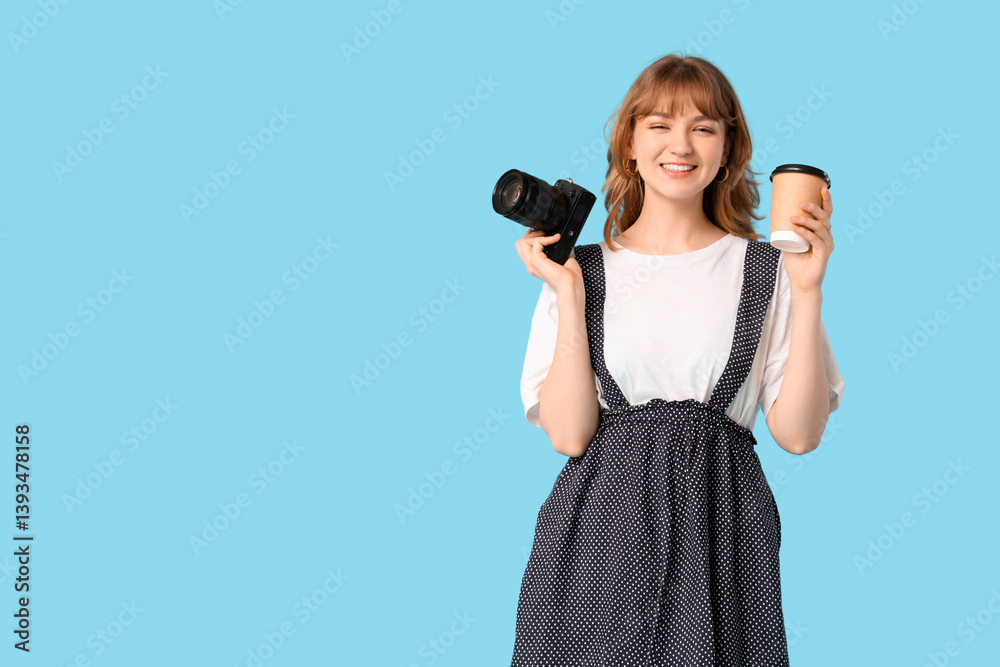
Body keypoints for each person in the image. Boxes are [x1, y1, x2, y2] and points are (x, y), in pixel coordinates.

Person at [509, 53, 845, 666]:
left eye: (704, 127)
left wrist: (809, 289)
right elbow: (569, 433)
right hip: (597, 536)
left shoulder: (769, 273)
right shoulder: (578, 272)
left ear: (727, 150)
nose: (681, 144)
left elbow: (797, 436)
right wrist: (567, 292)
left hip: (722, 529)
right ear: (631, 144)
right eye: (660, 124)